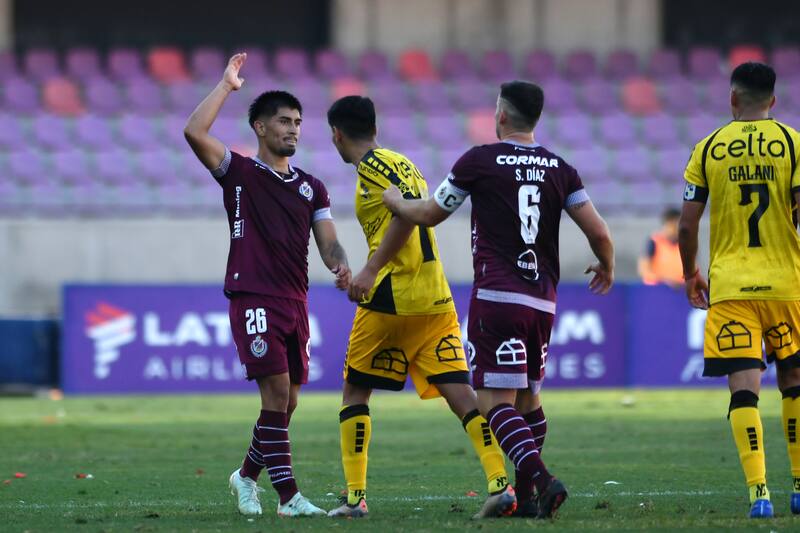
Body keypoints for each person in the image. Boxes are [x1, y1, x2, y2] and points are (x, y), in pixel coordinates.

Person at [383, 81, 615, 519]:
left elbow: (431, 212)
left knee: (493, 405)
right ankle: (528, 498)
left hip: (497, 295)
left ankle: (543, 480)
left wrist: (397, 203)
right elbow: (599, 232)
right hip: (542, 300)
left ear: (502, 115)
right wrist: (607, 264)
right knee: (528, 400)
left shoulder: (480, 160)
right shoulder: (561, 168)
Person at [324, 95, 515, 519]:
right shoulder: (400, 162)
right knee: (460, 393)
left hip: (394, 295)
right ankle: (500, 484)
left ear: (337, 134)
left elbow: (407, 218)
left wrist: (370, 270)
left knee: (356, 390)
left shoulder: (375, 166)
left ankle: (355, 499)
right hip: (435, 297)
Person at [184, 53, 351, 518]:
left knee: (288, 400)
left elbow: (328, 241)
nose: (294, 129)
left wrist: (343, 269)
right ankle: (288, 497)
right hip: (252, 294)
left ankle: (245, 478)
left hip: (295, 301)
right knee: (276, 392)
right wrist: (225, 87)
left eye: (298, 122)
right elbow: (194, 133)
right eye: (283, 121)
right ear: (260, 127)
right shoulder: (237, 173)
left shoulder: (312, 187)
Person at [678, 62, 800, 519]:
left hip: (730, 286)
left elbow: (687, 225)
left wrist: (690, 272)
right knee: (794, 382)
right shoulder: (792, 143)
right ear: (773, 100)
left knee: (744, 390)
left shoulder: (707, 148)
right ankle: (799, 487)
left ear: (732, 98)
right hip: (787, 283)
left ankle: (759, 494)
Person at [638, 207, 683, 287]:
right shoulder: (654, 242)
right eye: (673, 225)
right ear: (667, 224)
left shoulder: (685, 244)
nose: (676, 228)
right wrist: (664, 281)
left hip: (680, 291)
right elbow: (644, 269)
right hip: (657, 290)